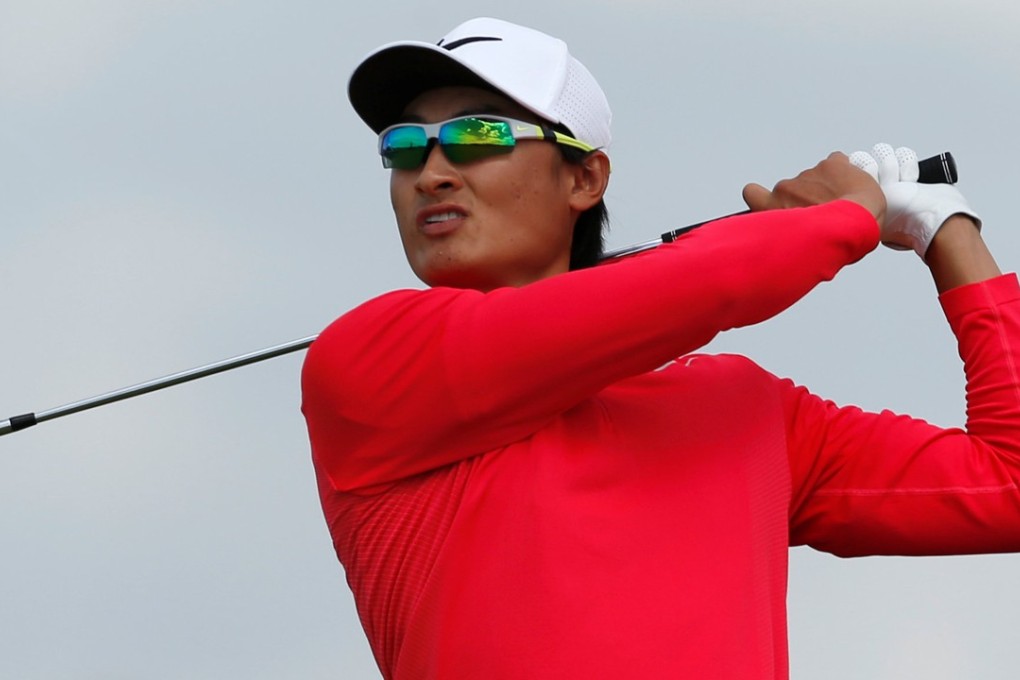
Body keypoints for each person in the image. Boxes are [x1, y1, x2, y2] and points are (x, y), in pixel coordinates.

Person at [301, 17, 1020, 679]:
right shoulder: (368, 359)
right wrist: (844, 216)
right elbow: (723, 276)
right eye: (402, 147)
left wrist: (945, 229)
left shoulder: (743, 408)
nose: (430, 171)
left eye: (477, 137)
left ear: (584, 177)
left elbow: (1008, 489)